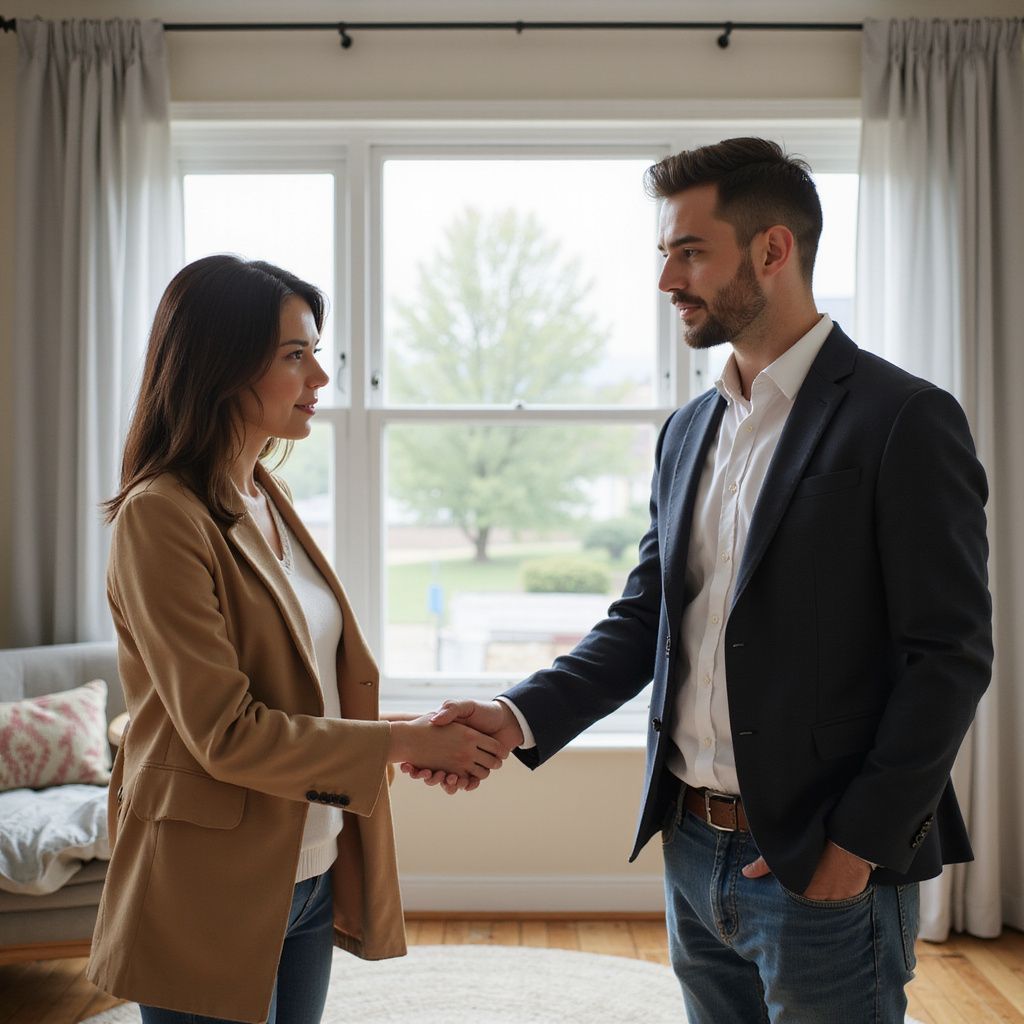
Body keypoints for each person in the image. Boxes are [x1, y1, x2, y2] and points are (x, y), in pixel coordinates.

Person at [406, 138, 993, 1023]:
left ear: (772, 251)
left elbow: (949, 657)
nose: (666, 279)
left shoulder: (903, 418)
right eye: (664, 254)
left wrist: (856, 846)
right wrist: (516, 715)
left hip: (819, 860)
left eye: (689, 252)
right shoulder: (687, 431)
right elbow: (647, 620)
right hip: (688, 847)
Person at [86, 255, 508, 1024]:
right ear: (220, 365)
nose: (319, 377)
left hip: (307, 865)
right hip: (209, 877)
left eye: (316, 352)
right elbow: (225, 732)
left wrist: (410, 735)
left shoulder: (262, 493)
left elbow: (302, 688)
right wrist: (404, 744)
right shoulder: (161, 517)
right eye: (294, 355)